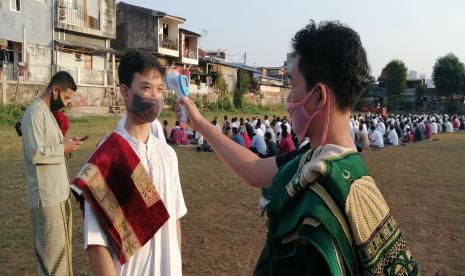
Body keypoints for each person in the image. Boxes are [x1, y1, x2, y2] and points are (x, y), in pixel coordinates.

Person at [176, 21, 417, 275]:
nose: (289, 100)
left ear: (319, 97)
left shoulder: (314, 206)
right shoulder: (333, 163)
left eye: (293, 86)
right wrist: (201, 124)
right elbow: (254, 169)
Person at [74, 50, 187, 275]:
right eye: (146, 88)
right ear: (125, 92)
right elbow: (96, 245)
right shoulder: (106, 159)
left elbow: (174, 220)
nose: (155, 97)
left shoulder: (168, 154)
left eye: (159, 89)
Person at [21, 71, 83, 276]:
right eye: (65, 97)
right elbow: (35, 154)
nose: (65, 103)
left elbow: (51, 148)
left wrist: (66, 145)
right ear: (55, 90)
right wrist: (62, 148)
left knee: (61, 250)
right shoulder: (34, 112)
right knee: (50, 254)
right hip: (45, 196)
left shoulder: (48, 113)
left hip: (58, 193)